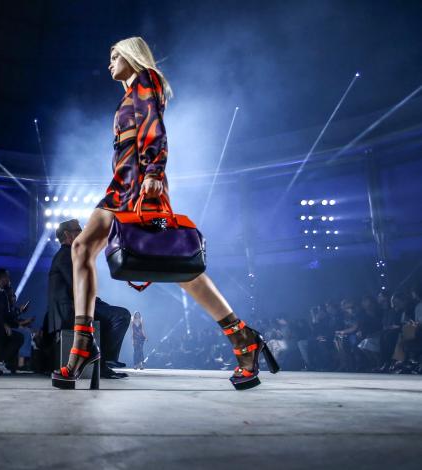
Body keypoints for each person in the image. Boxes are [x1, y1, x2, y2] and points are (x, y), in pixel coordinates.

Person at [53, 37, 279, 390]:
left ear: (132, 56)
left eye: (115, 56)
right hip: (123, 184)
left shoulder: (146, 79)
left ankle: (242, 337)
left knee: (179, 267)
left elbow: (154, 126)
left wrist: (155, 171)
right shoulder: (130, 93)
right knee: (88, 249)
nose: (109, 63)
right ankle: (84, 343)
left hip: (139, 183)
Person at [47, 219, 130, 380]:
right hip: (70, 310)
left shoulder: (67, 254)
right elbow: (78, 286)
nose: (82, 233)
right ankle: (105, 359)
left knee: (111, 315)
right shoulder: (66, 255)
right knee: (121, 315)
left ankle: (103, 363)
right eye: (78, 230)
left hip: (72, 307)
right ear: (67, 235)